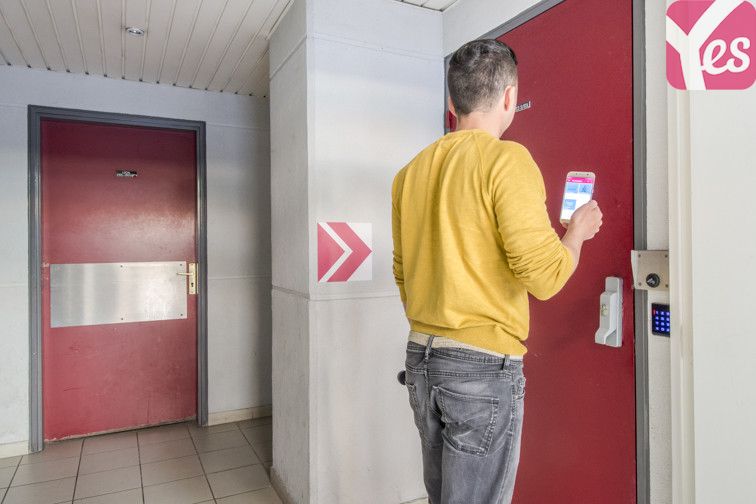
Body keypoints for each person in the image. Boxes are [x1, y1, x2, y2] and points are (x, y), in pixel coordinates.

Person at [391, 39, 603, 504]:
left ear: (452, 103)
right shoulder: (508, 160)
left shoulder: (409, 173)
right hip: (481, 368)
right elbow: (545, 277)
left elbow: (403, 272)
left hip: (422, 358)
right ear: (510, 96)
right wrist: (577, 233)